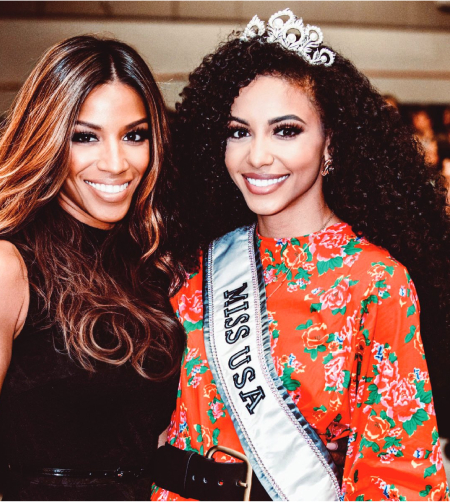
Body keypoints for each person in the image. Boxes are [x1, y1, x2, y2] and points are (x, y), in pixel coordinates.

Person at [152, 10, 450, 501]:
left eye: (285, 130)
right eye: (238, 131)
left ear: (329, 143)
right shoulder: (195, 265)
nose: (257, 156)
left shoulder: (375, 280)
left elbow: (395, 475)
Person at [0, 35, 186, 501]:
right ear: (47, 140)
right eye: (84, 137)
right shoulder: (3, 267)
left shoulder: (152, 262)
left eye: (134, 135)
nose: (115, 163)